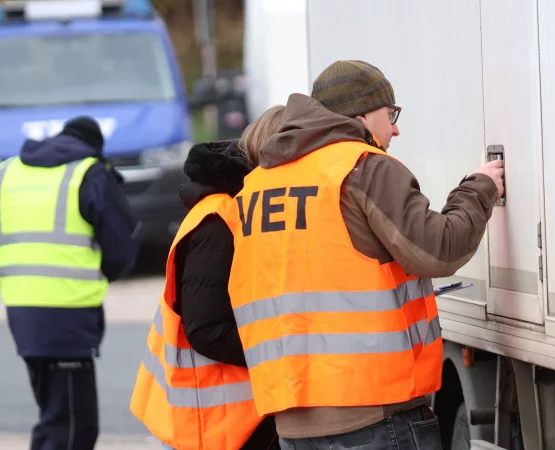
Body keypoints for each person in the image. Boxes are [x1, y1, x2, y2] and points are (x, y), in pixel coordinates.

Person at [221, 60, 505, 450]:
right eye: (391, 115)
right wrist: (480, 188)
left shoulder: (256, 188)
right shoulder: (362, 167)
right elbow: (438, 249)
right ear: (361, 116)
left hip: (292, 419)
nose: (396, 128)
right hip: (371, 414)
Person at [130, 106, 286, 450]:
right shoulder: (223, 217)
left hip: (225, 416)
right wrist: (284, 354)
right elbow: (207, 329)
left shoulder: (240, 208)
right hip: (216, 422)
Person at [0, 116, 140, 450]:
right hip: (68, 313)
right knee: (75, 427)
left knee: (54, 416)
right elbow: (122, 244)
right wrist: (105, 271)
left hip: (22, 312)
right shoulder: (89, 173)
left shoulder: (9, 171)